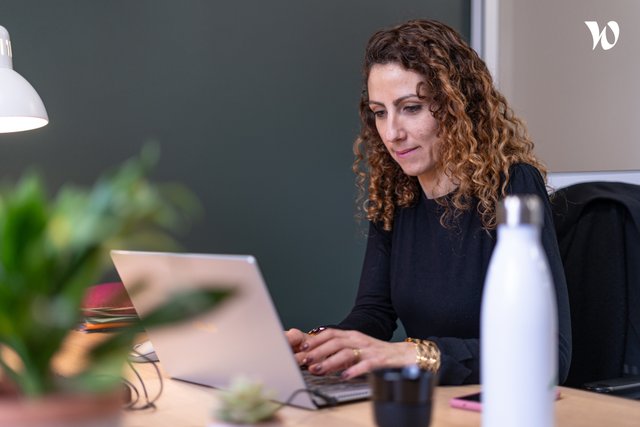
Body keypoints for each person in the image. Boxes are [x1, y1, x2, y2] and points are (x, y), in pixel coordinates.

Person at [286, 19, 571, 385]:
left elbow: (548, 355)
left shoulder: (511, 185)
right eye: (379, 112)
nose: (392, 133)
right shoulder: (398, 192)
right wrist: (321, 346)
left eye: (411, 107)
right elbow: (374, 313)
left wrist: (415, 353)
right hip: (431, 401)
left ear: (455, 107)